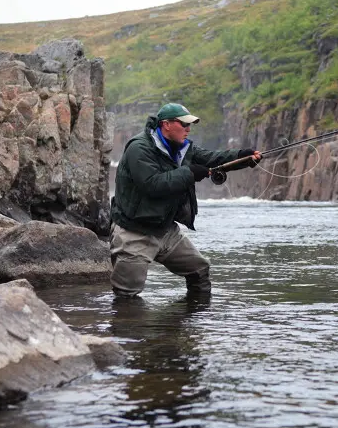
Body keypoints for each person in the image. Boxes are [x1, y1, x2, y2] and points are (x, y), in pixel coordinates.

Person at [109, 103, 261, 297]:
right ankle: (128, 325)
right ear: (166, 125)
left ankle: (189, 323)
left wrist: (242, 157)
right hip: (134, 231)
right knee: (126, 294)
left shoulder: (183, 147)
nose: (188, 129)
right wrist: (188, 173)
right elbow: (152, 185)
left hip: (165, 230)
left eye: (190, 125)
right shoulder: (139, 148)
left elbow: (213, 158)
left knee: (200, 271)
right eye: (184, 124)